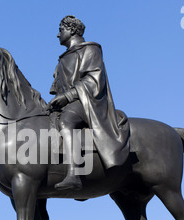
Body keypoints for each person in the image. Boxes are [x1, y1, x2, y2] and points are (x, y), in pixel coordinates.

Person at [49, 15, 130, 190]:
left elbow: (93, 80)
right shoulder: (62, 59)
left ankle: (73, 174)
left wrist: (68, 96)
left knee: (66, 121)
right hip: (70, 103)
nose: (58, 35)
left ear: (71, 30)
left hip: (88, 102)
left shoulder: (90, 50)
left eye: (60, 30)